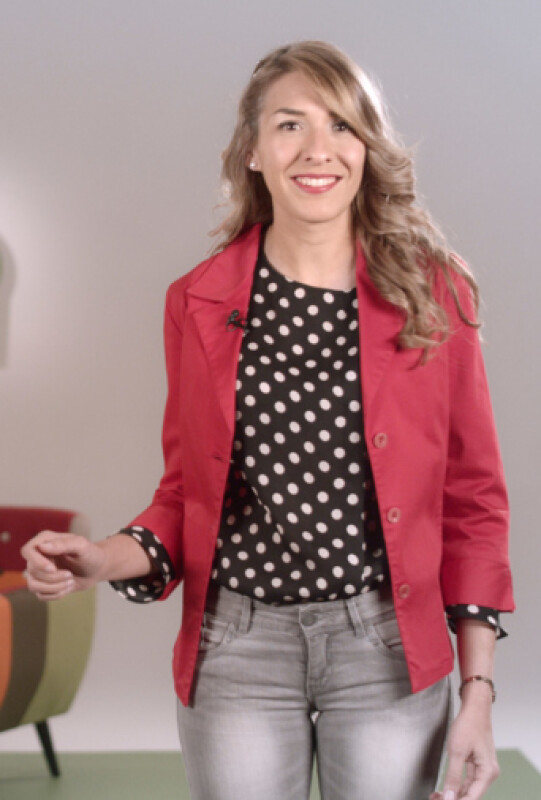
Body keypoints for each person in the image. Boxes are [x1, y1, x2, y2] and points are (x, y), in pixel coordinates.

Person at [22, 41, 514, 800]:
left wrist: (477, 691)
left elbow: (473, 502)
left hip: (385, 649)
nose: (318, 149)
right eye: (290, 125)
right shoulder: (196, 301)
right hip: (237, 650)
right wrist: (101, 559)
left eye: (341, 125)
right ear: (252, 151)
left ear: (366, 147)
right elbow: (186, 496)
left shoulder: (435, 295)